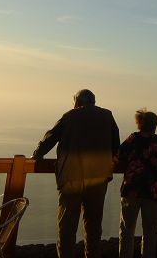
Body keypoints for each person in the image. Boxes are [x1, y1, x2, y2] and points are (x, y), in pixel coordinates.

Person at [31, 89, 120, 258]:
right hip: (98, 178)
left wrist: (37, 154)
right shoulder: (107, 116)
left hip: (71, 177)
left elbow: (50, 137)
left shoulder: (69, 116)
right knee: (94, 224)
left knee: (67, 226)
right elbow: (116, 144)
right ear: (94, 101)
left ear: (77, 102)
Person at [117, 109, 157, 258]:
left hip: (131, 189)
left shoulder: (133, 139)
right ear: (154, 125)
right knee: (150, 231)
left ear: (140, 123)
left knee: (127, 230)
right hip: (153, 191)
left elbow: (119, 155)